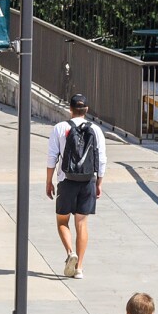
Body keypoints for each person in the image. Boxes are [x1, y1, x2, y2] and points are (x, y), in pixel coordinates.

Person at [45, 93, 107, 279]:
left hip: (66, 180)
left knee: (62, 221)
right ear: (86, 110)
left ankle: (70, 252)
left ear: (70, 109)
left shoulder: (60, 128)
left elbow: (52, 158)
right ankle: (79, 267)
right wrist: (99, 183)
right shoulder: (96, 130)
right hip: (88, 180)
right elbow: (102, 159)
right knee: (82, 223)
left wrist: (49, 181)